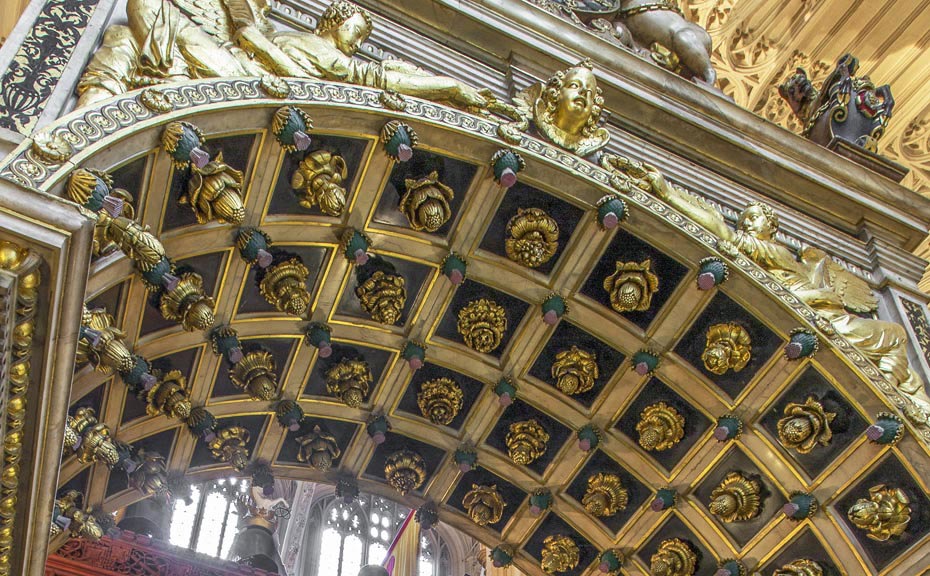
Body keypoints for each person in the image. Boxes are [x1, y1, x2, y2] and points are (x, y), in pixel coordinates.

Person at [637, 162, 930, 422]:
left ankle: (894, 394)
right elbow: (721, 231)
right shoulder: (764, 250)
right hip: (810, 313)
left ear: (771, 226)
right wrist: (668, 195)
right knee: (894, 334)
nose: (746, 222)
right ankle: (895, 397)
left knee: (895, 333)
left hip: (823, 314)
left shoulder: (781, 252)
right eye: (745, 218)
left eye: (754, 217)